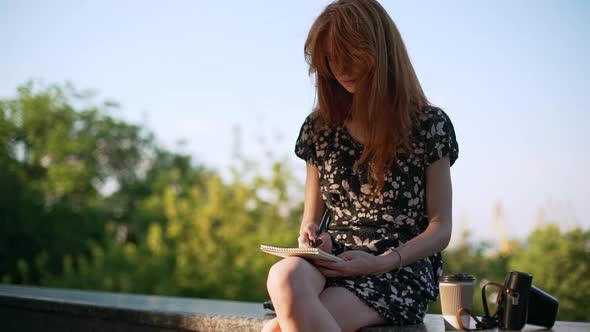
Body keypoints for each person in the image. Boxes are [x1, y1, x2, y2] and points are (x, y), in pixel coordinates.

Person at [264, 0, 458, 331]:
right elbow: (311, 220)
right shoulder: (320, 128)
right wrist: (313, 238)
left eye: (350, 56)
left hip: (395, 269)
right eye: (330, 59)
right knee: (283, 273)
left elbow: (440, 228)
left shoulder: (429, 124)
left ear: (380, 52)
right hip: (335, 260)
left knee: (277, 328)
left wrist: (381, 262)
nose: (341, 69)